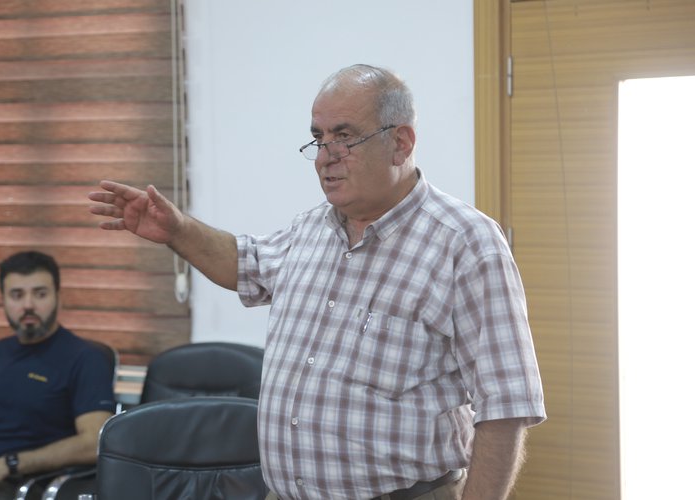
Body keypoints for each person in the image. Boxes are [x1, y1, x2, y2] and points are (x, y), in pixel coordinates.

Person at [88, 64, 546, 500]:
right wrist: (177, 230)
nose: (326, 157)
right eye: (318, 139)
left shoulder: (465, 243)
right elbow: (243, 263)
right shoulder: (311, 228)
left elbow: (506, 407)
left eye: (344, 137)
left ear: (401, 143)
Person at [0, 251, 116, 499]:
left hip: (14, 480)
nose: (28, 305)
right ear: (3, 301)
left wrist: (10, 464)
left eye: (40, 294)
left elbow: (94, 443)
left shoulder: (85, 358)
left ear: (59, 298)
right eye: (17, 295)